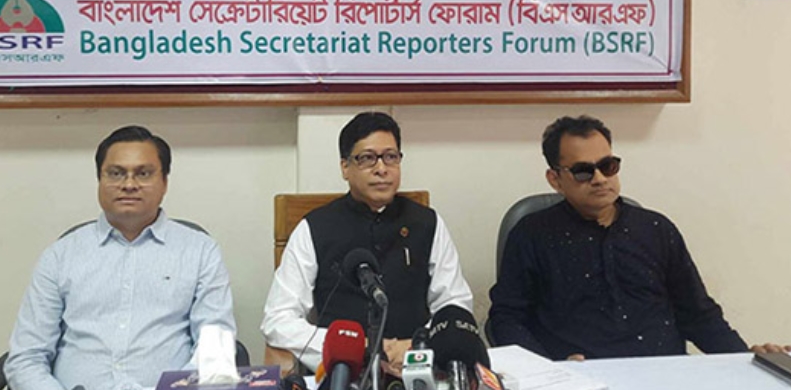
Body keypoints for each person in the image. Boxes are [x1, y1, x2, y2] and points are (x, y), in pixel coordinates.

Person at [487, 115, 789, 360]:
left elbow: (698, 314)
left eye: (608, 166)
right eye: (583, 171)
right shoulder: (532, 235)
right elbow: (507, 319)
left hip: (664, 375)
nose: (600, 179)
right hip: (576, 377)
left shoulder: (656, 229)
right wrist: (546, 371)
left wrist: (744, 361)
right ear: (555, 179)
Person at [4, 125, 236, 390]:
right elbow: (26, 357)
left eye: (143, 174)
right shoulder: (60, 256)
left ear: (165, 183)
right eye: (116, 173)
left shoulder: (201, 252)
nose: (129, 185)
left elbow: (215, 352)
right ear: (99, 181)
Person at [261, 112, 473, 374]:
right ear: (345, 167)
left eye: (391, 157)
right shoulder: (314, 228)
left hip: (415, 365)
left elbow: (455, 304)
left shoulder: (427, 223)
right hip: (343, 370)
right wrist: (357, 346)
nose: (381, 168)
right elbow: (278, 319)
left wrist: (418, 344)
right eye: (367, 158)